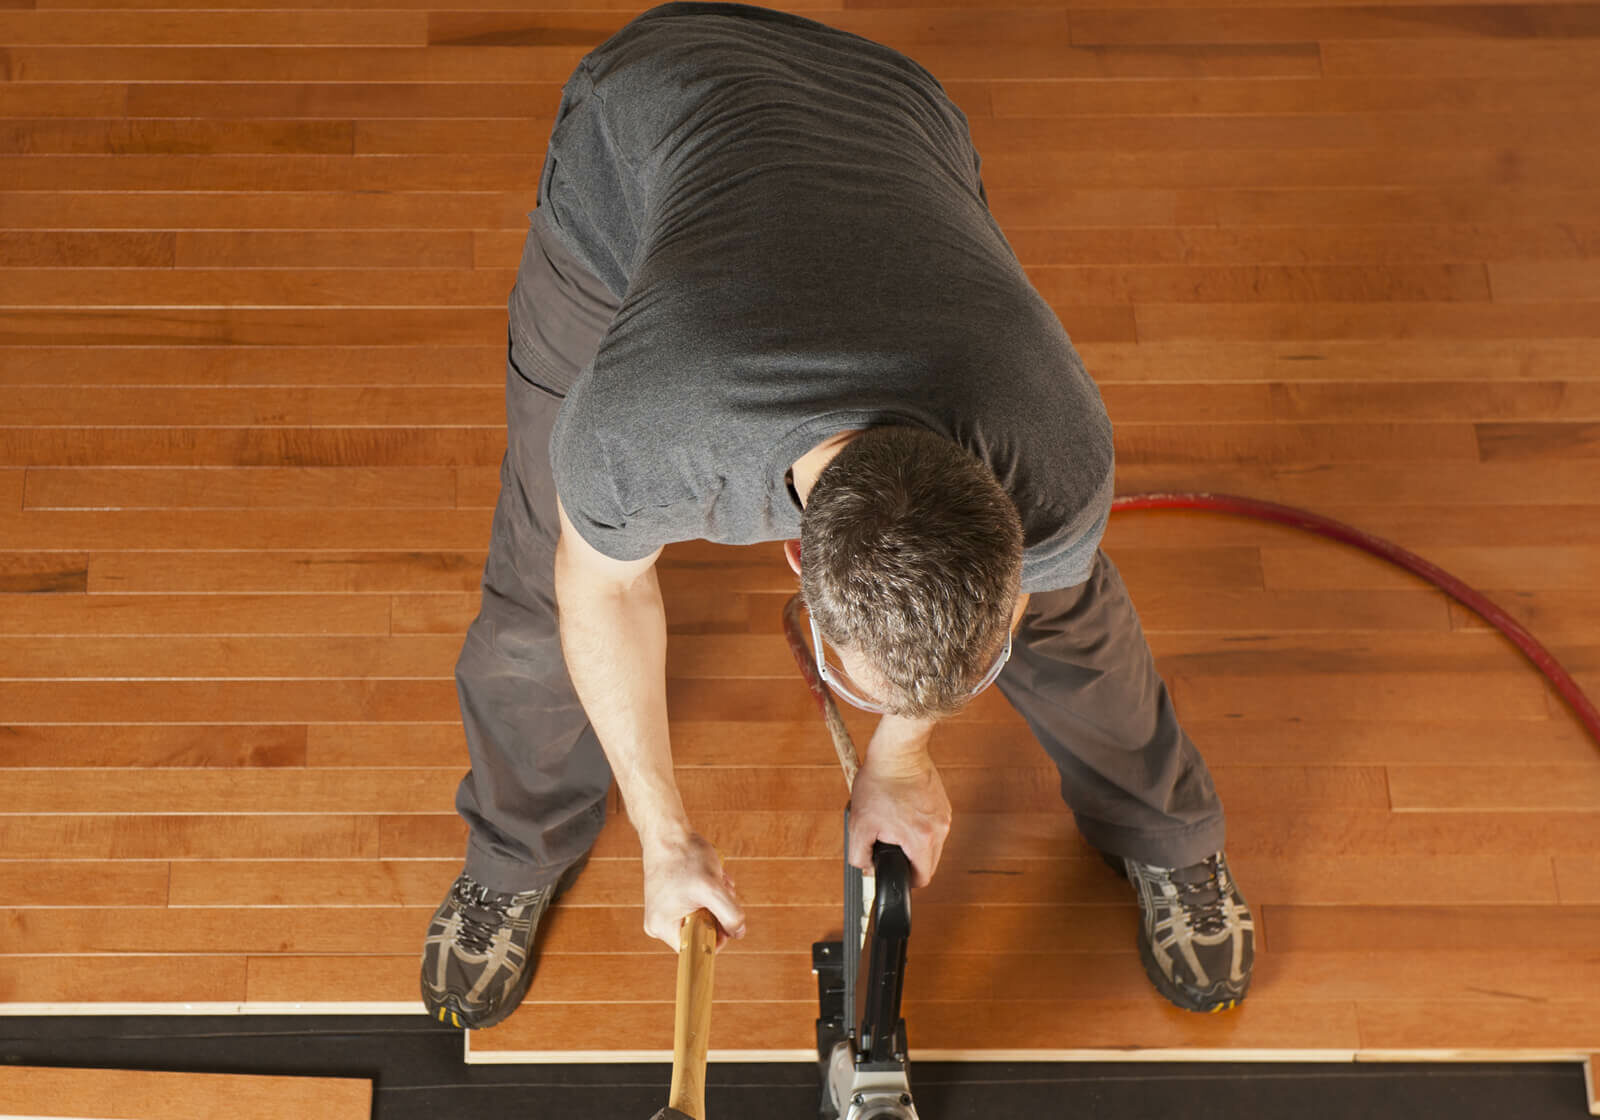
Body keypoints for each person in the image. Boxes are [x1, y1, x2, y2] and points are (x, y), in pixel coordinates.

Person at [419, 1, 1253, 1032]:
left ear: (1001, 517)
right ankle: (512, 848)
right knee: (539, 582)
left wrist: (901, 759)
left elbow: (1014, 605)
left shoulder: (1049, 439)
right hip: (649, 114)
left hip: (885, 107)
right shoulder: (646, 428)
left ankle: (1169, 834)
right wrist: (664, 838)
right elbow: (597, 589)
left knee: (1074, 603)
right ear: (790, 559)